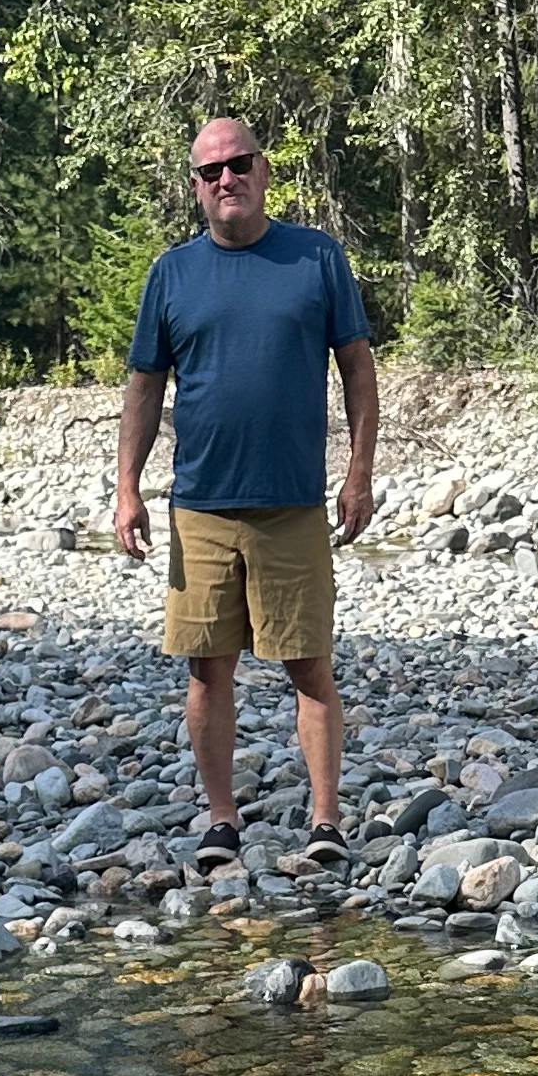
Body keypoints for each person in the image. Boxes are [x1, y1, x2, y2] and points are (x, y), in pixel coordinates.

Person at [114, 115, 379, 880]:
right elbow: (143, 386)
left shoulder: (315, 258)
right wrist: (127, 488)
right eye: (209, 171)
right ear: (194, 187)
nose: (225, 179)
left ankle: (326, 820)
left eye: (238, 164)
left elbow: (357, 369)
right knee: (207, 668)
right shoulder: (172, 273)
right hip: (199, 504)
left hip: (293, 502)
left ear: (264, 171)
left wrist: (358, 472)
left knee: (309, 664)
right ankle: (221, 819)